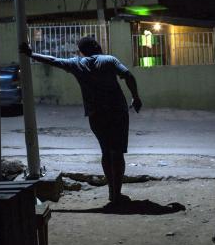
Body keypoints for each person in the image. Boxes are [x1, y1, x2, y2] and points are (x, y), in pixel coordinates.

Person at [19, 37, 142, 205]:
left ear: (82, 52)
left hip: (96, 114)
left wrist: (32, 54)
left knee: (106, 152)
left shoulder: (77, 64)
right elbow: (128, 76)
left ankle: (112, 193)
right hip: (117, 112)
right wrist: (136, 97)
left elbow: (54, 60)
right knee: (117, 153)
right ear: (98, 47)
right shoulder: (109, 60)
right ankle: (117, 193)